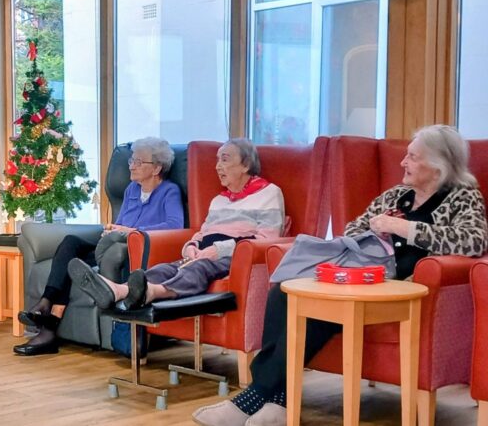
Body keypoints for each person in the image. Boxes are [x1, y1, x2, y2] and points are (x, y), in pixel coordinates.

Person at [193, 125, 488, 426]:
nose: (403, 162)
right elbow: (353, 229)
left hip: (401, 290)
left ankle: (256, 396)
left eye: (412, 157)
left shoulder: (462, 195)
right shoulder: (398, 195)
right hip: (364, 276)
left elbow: (474, 241)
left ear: (438, 164)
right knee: (285, 292)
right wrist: (376, 231)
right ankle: (277, 401)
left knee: (323, 311)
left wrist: (404, 229)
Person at [69, 138, 284, 313]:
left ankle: (151, 292)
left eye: (225, 160)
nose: (218, 166)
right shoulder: (220, 199)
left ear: (246, 165)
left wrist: (218, 250)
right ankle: (117, 290)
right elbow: (203, 231)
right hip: (202, 252)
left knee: (199, 268)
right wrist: (191, 245)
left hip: (234, 257)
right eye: (217, 160)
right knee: (164, 268)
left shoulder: (268, 194)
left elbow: (268, 239)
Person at [13, 137, 184, 356]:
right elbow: (120, 221)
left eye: (138, 162)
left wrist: (128, 231)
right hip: (110, 244)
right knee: (70, 244)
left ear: (157, 168)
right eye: (131, 159)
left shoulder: (169, 191)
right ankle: (46, 303)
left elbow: (174, 225)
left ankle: (48, 324)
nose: (131, 165)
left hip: (129, 251)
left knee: (74, 263)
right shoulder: (132, 189)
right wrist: (111, 230)